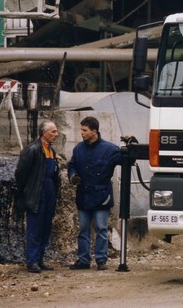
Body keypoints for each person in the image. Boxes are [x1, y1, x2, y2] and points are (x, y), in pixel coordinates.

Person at [67, 116, 122, 270]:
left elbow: (127, 160)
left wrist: (130, 148)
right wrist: (72, 176)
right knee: (83, 229)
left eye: (84, 130)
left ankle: (101, 260)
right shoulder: (78, 149)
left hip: (101, 197)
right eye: (81, 130)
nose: (81, 133)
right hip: (83, 196)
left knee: (101, 228)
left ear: (94, 131)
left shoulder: (110, 150)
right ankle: (84, 260)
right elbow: (72, 165)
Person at [14, 120, 61, 273]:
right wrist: (24, 194)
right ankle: (32, 261)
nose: (56, 134)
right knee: (34, 227)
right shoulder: (32, 150)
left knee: (45, 227)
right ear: (43, 133)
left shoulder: (51, 151)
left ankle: (40, 259)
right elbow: (21, 174)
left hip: (49, 191)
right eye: (53, 132)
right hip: (37, 192)